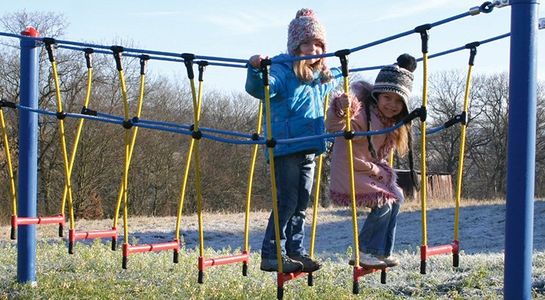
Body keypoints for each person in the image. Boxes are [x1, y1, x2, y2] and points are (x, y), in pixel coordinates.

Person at [245, 8, 342, 273]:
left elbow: (336, 84)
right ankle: (271, 253)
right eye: (307, 44)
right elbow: (260, 88)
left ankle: (295, 251)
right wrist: (255, 68)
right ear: (296, 47)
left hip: (310, 146)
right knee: (286, 201)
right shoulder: (282, 69)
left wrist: (344, 69)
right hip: (286, 147)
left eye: (319, 44)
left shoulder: (319, 76)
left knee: (301, 203)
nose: (314, 49)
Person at [325, 54, 417, 268]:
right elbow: (334, 125)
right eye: (387, 98)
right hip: (349, 167)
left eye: (398, 102)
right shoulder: (362, 112)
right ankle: (365, 251)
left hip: (367, 169)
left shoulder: (390, 122)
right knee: (383, 204)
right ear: (377, 95)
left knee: (398, 197)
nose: (392, 105)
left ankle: (382, 251)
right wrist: (341, 107)